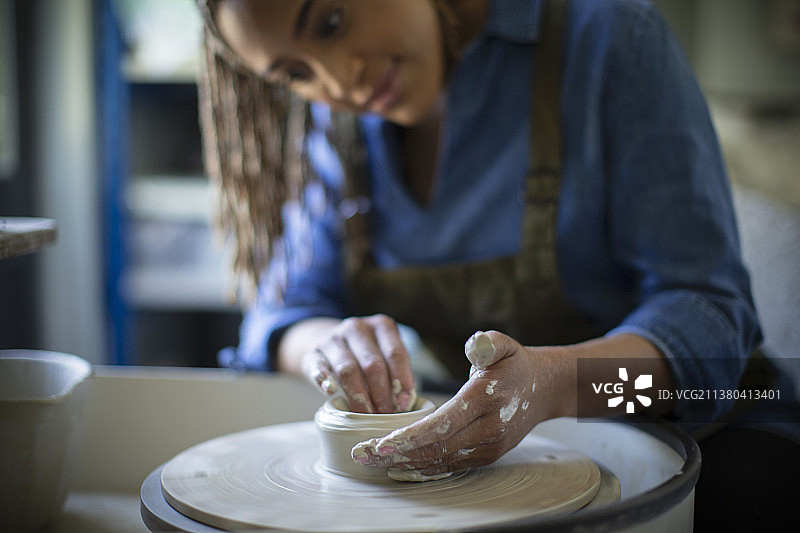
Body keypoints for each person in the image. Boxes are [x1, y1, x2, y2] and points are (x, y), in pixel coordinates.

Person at [194, 0, 795, 523]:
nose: (339, 80)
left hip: (712, 431)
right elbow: (282, 315)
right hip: (502, 465)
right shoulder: (341, 127)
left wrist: (556, 388)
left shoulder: (610, 36)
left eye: (331, 21)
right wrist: (331, 347)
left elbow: (711, 324)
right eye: (296, 73)